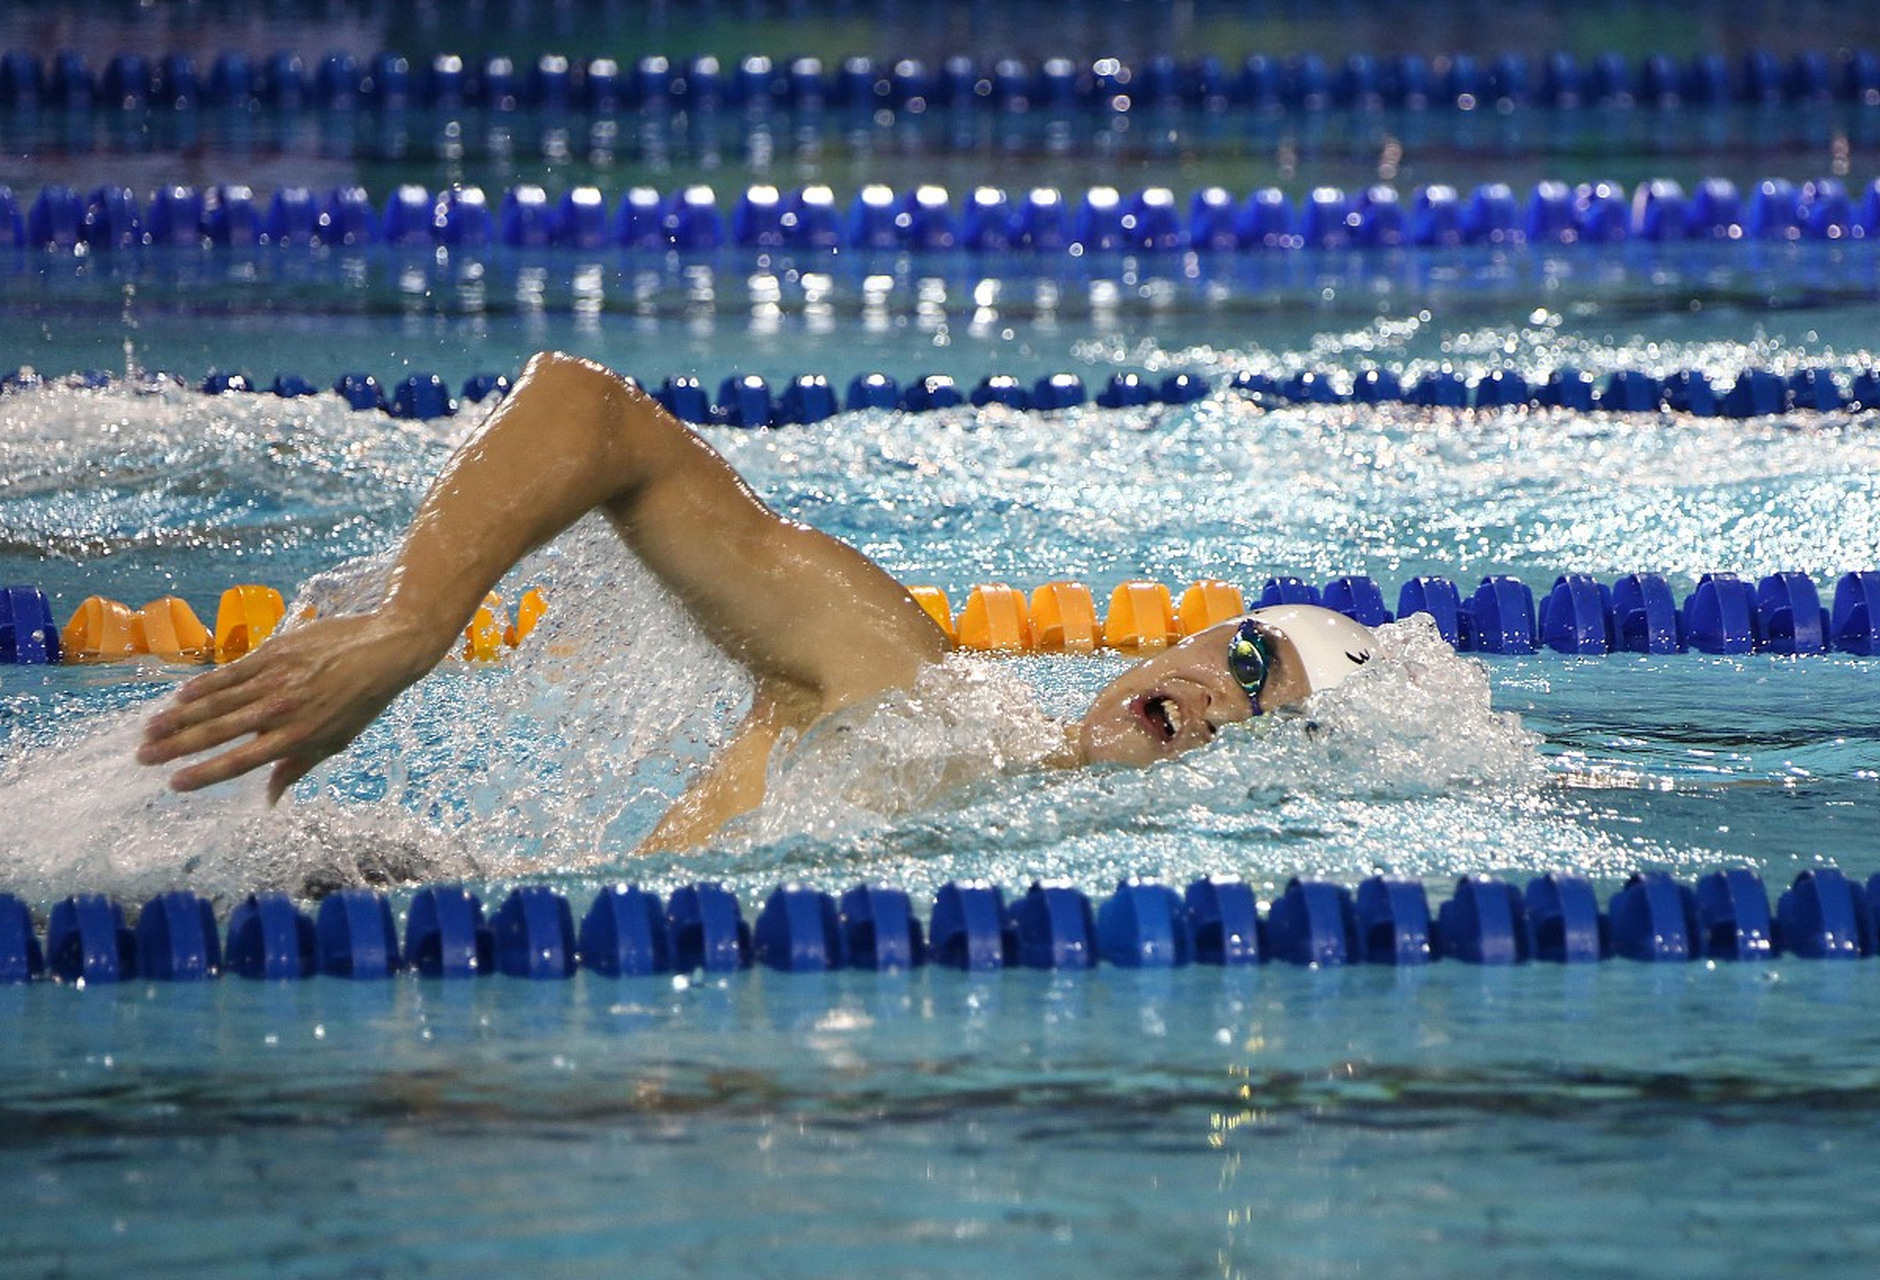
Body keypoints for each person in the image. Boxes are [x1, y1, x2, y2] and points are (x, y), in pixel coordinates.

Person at [138, 351, 1376, 851]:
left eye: (1275, 720)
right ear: (1187, 638)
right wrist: (415, 622)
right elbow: (589, 411)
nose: (1227, 704)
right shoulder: (915, 694)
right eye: (1251, 660)